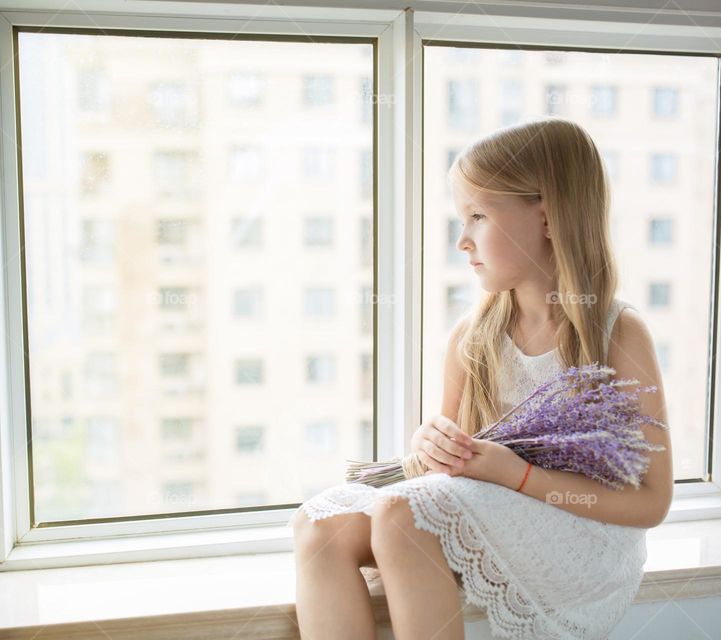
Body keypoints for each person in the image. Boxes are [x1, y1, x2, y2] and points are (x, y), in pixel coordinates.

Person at [289, 117, 674, 640]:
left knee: (404, 513)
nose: (461, 241)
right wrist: (432, 447)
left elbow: (651, 501)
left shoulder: (617, 333)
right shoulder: (473, 336)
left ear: (547, 218)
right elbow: (444, 472)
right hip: (499, 511)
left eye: (477, 216)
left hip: (584, 534)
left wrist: (516, 475)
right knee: (317, 526)